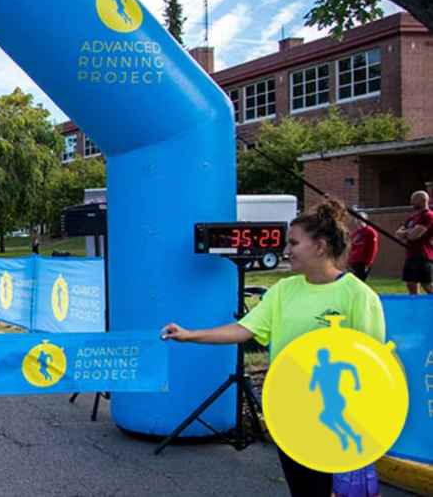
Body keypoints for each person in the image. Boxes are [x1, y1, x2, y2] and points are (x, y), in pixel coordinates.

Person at [162, 200, 384, 497]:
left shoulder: (358, 295)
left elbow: (372, 365)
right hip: (289, 415)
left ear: (320, 246)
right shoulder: (283, 291)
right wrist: (190, 335)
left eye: (293, 243)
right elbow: (244, 329)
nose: (286, 250)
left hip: (334, 421)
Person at [396, 190, 433, 295]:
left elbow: (415, 235)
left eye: (414, 200)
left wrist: (406, 233)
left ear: (423, 200)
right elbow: (397, 234)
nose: (411, 202)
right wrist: (409, 232)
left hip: (423, 255)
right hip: (410, 255)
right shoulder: (412, 218)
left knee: (426, 285)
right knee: (410, 284)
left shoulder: (428, 216)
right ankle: (415, 306)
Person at [346, 211, 378, 282]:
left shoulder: (370, 232)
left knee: (360, 282)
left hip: (362, 261)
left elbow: (373, 249)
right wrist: (349, 260)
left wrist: (369, 263)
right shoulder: (355, 233)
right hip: (353, 261)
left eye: (361, 219)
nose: (359, 221)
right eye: (357, 219)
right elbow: (351, 248)